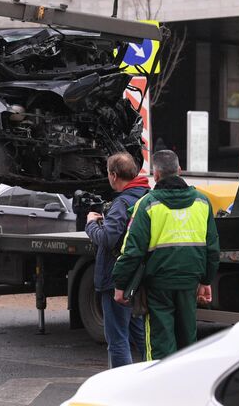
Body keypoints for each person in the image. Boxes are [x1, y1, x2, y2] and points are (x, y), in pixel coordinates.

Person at [113, 150, 219, 360]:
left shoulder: (148, 204)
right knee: (187, 341)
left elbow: (132, 250)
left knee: (160, 342)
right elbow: (213, 248)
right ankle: (184, 389)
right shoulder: (202, 202)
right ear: (179, 170)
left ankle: (159, 388)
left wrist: (120, 284)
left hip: (158, 285)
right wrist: (206, 280)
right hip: (189, 282)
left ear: (156, 174)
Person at [84, 152, 150, 368]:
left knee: (117, 338)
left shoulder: (122, 202)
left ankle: (120, 388)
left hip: (116, 277)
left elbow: (107, 238)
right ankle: (153, 377)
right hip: (140, 276)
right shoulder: (147, 197)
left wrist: (91, 223)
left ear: (113, 175)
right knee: (140, 335)